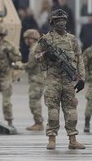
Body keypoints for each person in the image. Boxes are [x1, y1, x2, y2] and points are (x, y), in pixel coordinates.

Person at [34, 9, 86, 150]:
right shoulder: (47, 39)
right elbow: (36, 56)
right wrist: (46, 54)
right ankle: (52, 139)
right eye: (58, 21)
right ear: (52, 22)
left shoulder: (72, 39)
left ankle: (73, 140)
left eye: (63, 20)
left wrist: (81, 78)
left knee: (72, 112)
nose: (61, 23)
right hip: (53, 80)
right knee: (53, 111)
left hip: (68, 81)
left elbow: (79, 58)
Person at [21, 29, 45, 131]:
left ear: (32, 38)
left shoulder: (34, 49)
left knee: (34, 101)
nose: (27, 40)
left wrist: (21, 66)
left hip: (36, 79)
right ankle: (38, 122)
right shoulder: (36, 47)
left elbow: (31, 64)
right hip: (38, 79)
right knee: (35, 101)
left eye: (28, 38)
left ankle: (38, 123)